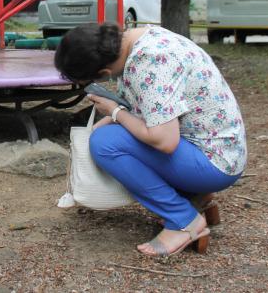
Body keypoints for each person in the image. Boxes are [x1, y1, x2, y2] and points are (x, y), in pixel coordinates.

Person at [54, 22, 247, 256]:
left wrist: (115, 113)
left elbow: (165, 141)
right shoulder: (141, 38)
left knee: (104, 143)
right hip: (222, 150)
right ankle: (195, 196)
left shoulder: (150, 62)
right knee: (102, 135)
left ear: (104, 73)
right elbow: (146, 110)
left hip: (213, 163)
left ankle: (184, 222)